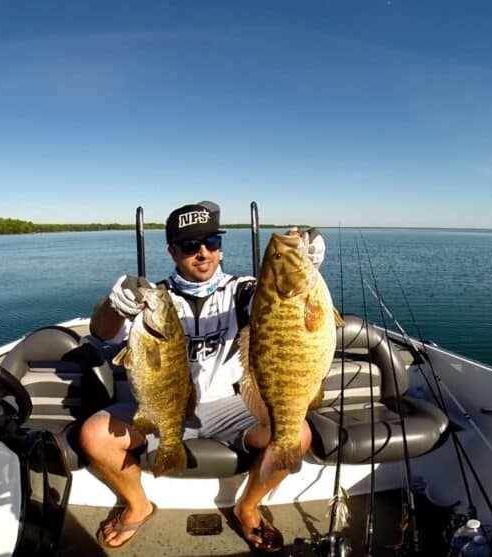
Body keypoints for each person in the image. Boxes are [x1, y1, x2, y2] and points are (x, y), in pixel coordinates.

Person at [80, 200, 325, 552]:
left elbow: (281, 299)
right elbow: (102, 332)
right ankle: (138, 504)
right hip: (168, 406)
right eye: (191, 246)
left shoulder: (244, 291)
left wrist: (305, 255)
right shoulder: (153, 300)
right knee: (94, 435)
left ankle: (248, 506)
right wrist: (114, 304)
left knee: (295, 433)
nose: (204, 253)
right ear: (172, 251)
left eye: (212, 242)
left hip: (233, 404)